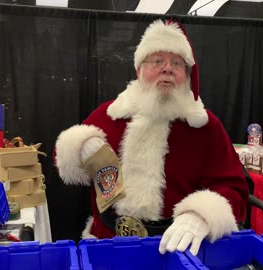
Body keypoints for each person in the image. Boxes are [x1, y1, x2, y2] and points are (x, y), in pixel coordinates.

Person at [54, 20, 248, 255]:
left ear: (186, 75)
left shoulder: (205, 127)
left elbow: (234, 187)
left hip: (176, 250)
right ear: (139, 70)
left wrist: (202, 216)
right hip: (106, 244)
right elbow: (64, 165)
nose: (167, 68)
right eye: (157, 61)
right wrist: (77, 148)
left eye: (177, 63)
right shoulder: (109, 115)